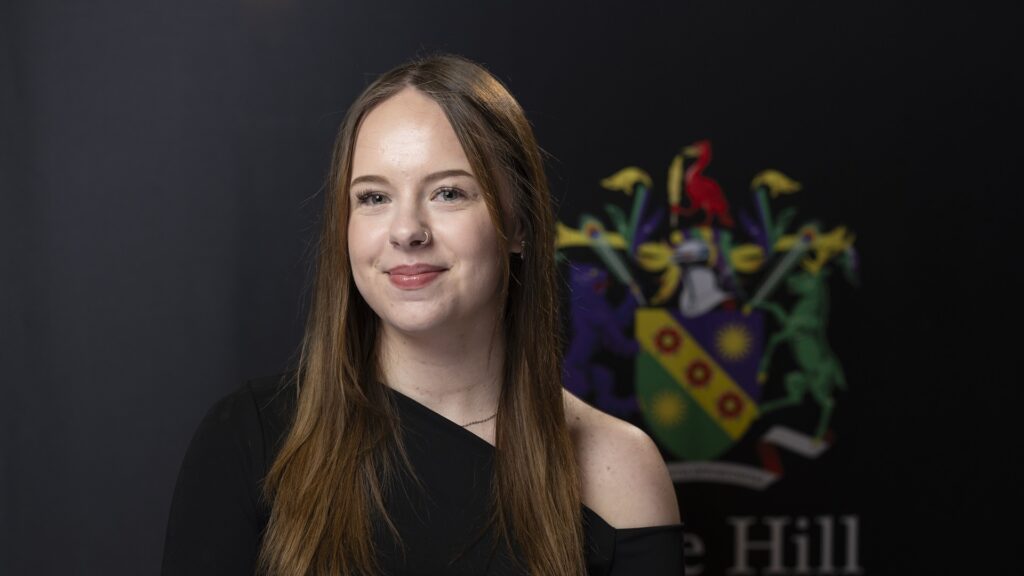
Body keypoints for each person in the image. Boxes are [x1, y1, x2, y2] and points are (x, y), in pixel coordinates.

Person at [161, 53, 683, 576]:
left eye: (448, 192)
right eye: (373, 197)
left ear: (519, 223)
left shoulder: (619, 471)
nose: (406, 229)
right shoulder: (250, 440)